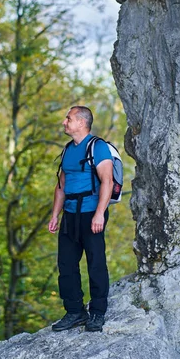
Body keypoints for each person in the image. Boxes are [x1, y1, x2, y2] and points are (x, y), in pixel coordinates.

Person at [48, 105, 113, 332]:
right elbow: (61, 186)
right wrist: (55, 215)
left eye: (68, 119)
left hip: (91, 213)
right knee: (66, 265)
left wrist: (99, 214)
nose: (64, 122)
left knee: (95, 264)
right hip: (69, 214)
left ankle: (97, 312)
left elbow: (108, 181)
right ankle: (75, 311)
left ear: (81, 123)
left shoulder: (98, 147)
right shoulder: (68, 150)